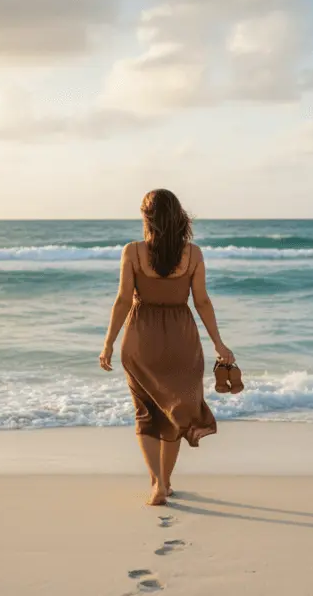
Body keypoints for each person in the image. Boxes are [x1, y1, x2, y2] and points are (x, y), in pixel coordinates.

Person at [99, 189, 236, 506]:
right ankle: (166, 481)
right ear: (178, 217)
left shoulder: (132, 252)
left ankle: (157, 484)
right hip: (181, 340)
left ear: (147, 218)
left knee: (145, 413)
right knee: (174, 413)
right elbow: (201, 301)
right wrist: (218, 342)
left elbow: (122, 300)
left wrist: (108, 343)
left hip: (140, 339)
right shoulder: (194, 254)